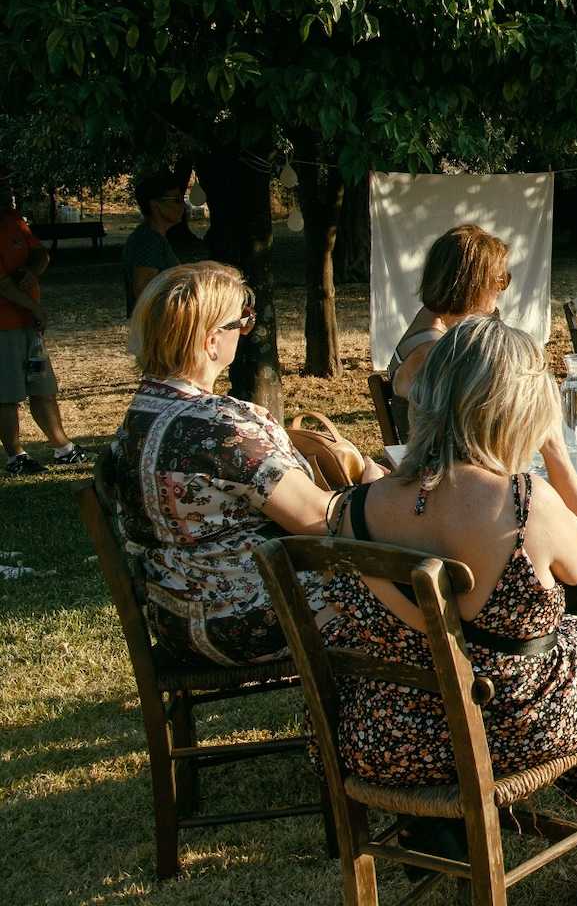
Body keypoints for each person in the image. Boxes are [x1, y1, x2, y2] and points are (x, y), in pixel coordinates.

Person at [321, 315, 577, 898]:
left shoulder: (351, 508)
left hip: (384, 737)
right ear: (515, 409)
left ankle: (438, 835)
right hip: (503, 730)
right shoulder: (520, 504)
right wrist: (556, 452)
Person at [110, 262, 361, 663]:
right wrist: (382, 494)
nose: (246, 329)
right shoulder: (219, 426)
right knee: (403, 594)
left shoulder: (139, 415)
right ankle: (378, 719)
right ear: (212, 342)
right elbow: (321, 519)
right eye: (242, 321)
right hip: (249, 620)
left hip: (175, 620)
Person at [0, 171, 89, 474]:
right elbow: (3, 285)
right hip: (4, 326)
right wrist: (35, 309)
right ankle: (15, 457)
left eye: (9, 183)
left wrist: (34, 270)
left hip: (26, 323)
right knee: (7, 394)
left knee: (42, 386)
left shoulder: (14, 219)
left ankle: (63, 448)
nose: (9, 189)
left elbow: (40, 253)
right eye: (3, 184)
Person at [387, 224, 510, 403]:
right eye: (500, 280)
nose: (501, 290)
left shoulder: (428, 320)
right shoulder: (438, 353)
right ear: (472, 285)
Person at [124, 173, 186, 315]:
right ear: (155, 205)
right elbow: (142, 289)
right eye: (177, 199)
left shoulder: (151, 237)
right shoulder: (150, 241)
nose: (183, 205)